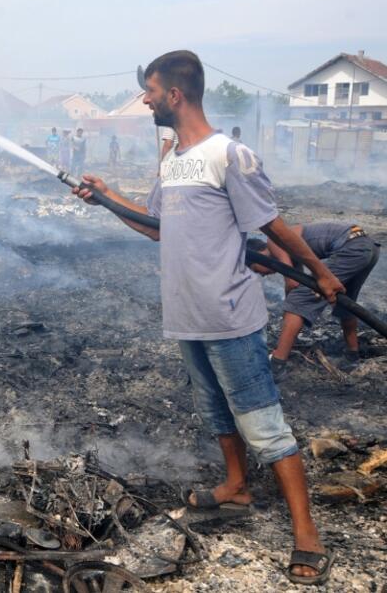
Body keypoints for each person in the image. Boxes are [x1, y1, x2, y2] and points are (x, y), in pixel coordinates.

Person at [72, 50, 341, 585]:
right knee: (216, 413)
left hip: (228, 313)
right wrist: (105, 198)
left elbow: (272, 225)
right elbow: (155, 228)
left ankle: (307, 535)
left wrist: (320, 274)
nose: (145, 100)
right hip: (186, 314)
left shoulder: (229, 154)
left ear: (174, 95)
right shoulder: (171, 160)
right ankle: (236, 488)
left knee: (263, 425)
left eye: (150, 91)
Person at [248, 222, 379, 375]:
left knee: (300, 299)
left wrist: (291, 307)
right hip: (367, 247)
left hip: (352, 247)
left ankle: (277, 362)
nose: (263, 275)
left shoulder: (274, 241)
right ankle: (352, 355)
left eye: (257, 270)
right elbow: (294, 284)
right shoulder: (288, 252)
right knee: (346, 302)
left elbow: (293, 285)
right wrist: (290, 309)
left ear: (259, 255)